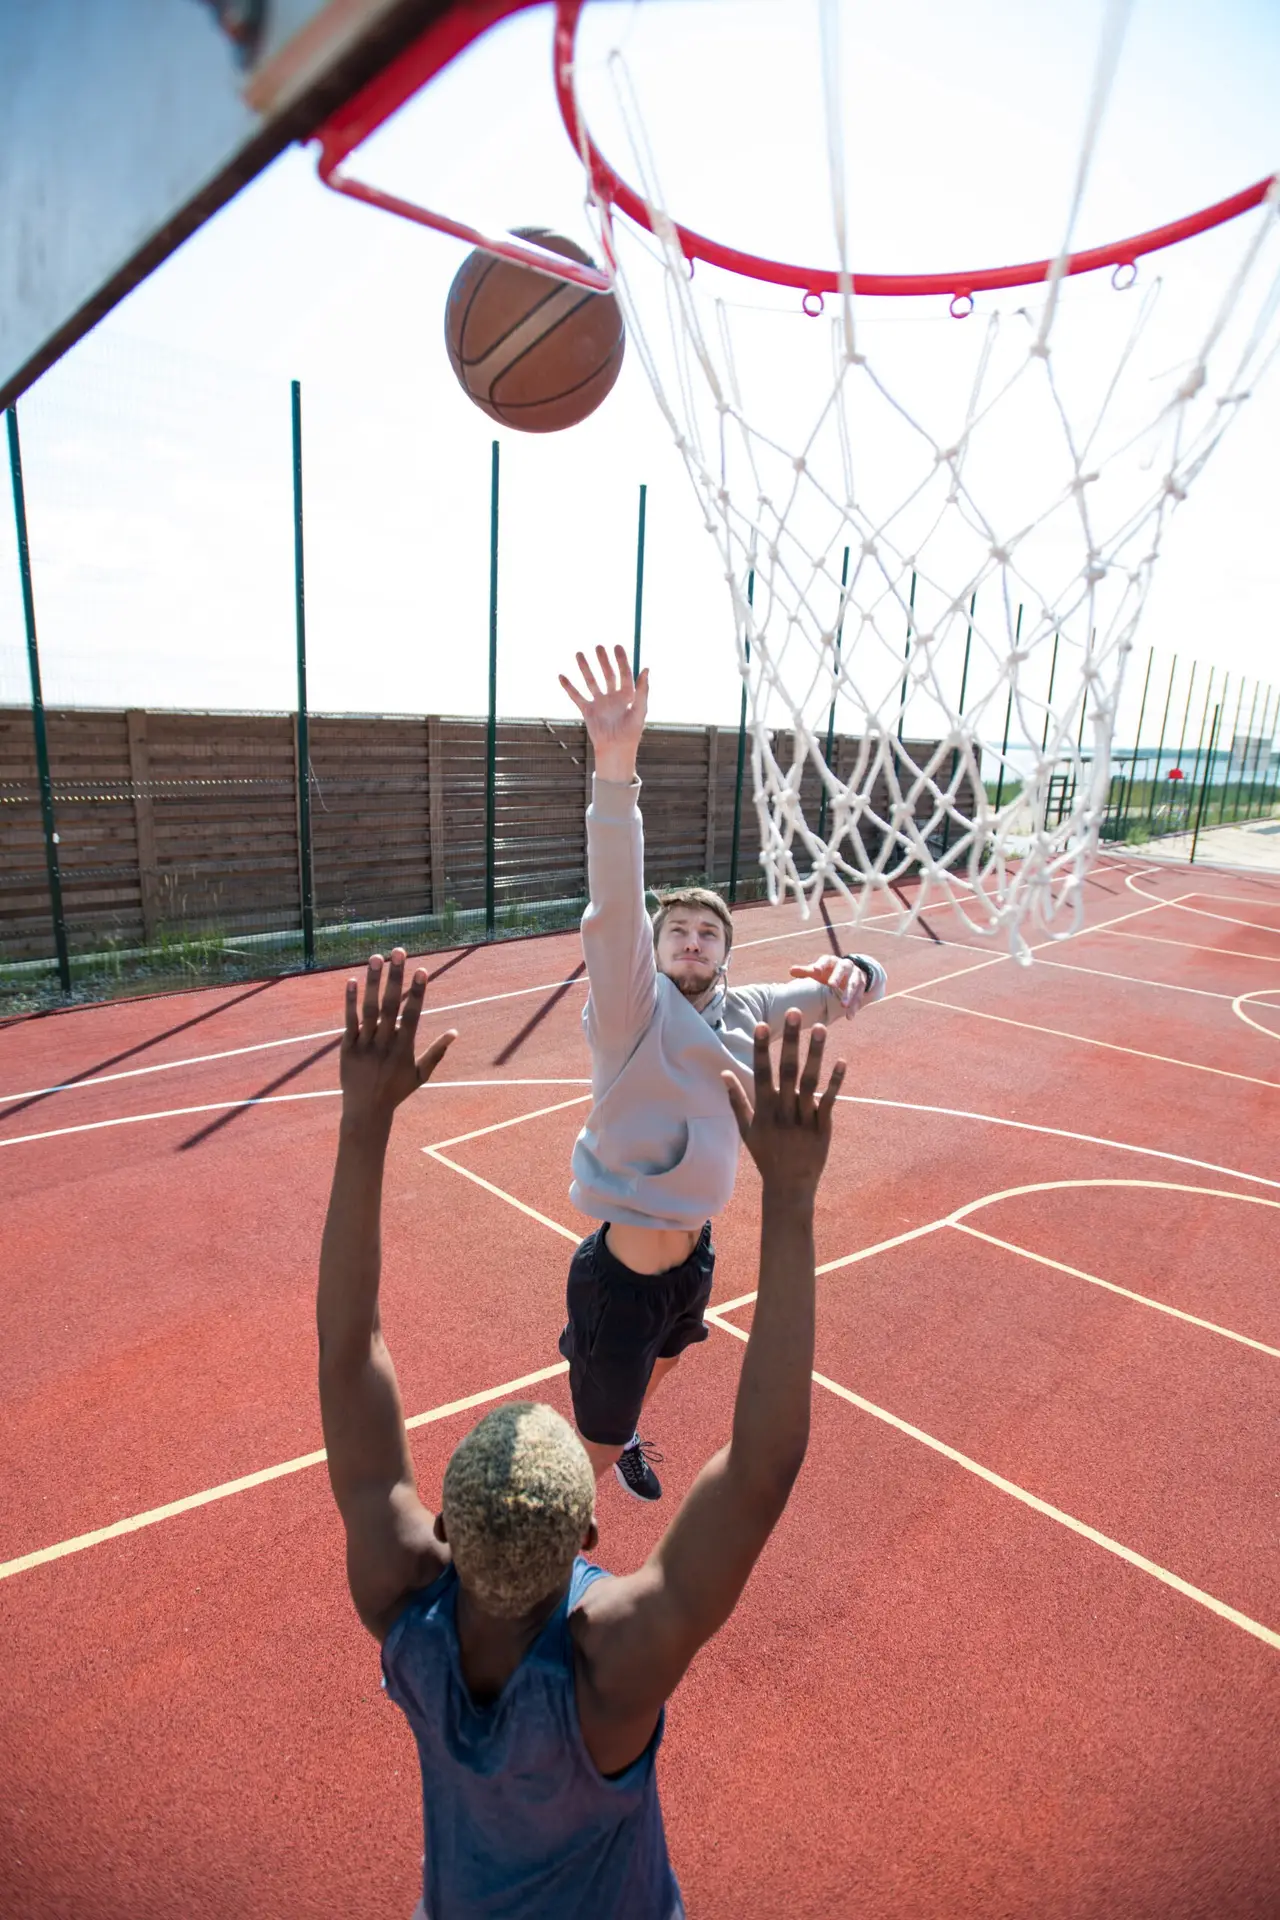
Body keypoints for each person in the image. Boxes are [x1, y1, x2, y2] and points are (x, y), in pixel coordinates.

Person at [318, 948, 844, 1920]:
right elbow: (762, 1469)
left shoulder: (407, 1611)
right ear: (587, 1542)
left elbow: (350, 1355)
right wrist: (791, 1198)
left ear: (440, 1530)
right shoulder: (603, 1674)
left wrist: (361, 1122)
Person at [557, 643, 886, 1500]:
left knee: (671, 1361)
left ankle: (624, 1430)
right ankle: (535, 1568)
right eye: (677, 935)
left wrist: (858, 974)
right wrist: (615, 773)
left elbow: (845, 993)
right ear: (656, 952)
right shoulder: (634, 1009)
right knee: (577, 1468)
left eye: (708, 935)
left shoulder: (746, 1008)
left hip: (696, 1256)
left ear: (727, 956)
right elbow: (616, 906)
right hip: (622, 1279)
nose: (692, 942)